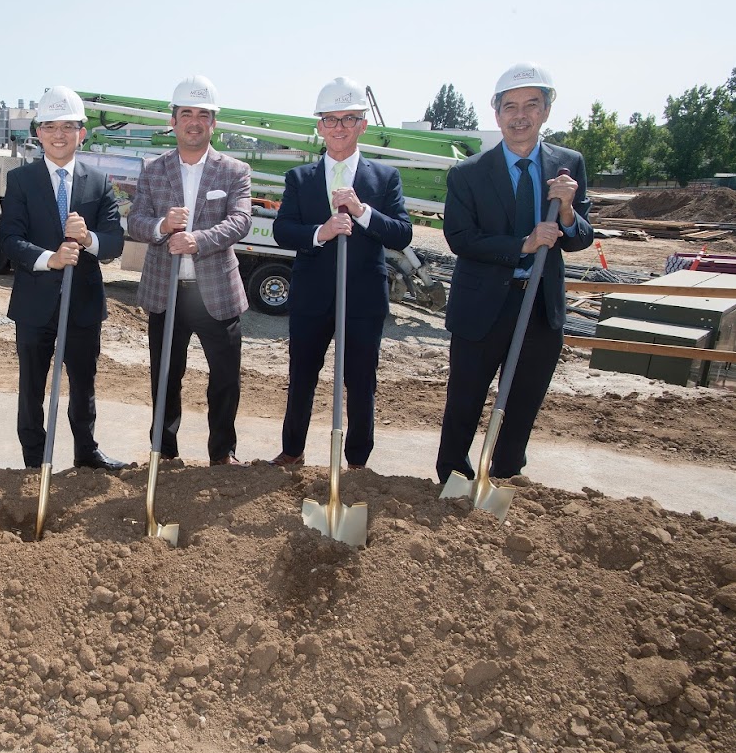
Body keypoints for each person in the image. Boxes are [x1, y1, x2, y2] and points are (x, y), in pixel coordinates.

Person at [435, 62, 593, 483]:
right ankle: (451, 474)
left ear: (545, 110)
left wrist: (565, 209)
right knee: (465, 397)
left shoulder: (568, 166)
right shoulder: (468, 173)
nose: (520, 115)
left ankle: (504, 474)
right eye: (510, 107)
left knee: (524, 399)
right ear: (496, 113)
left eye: (531, 105)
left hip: (540, 303)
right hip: (483, 304)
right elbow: (461, 238)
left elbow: (579, 238)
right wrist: (522, 244)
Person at [271, 78, 412, 469]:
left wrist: (363, 212)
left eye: (348, 118)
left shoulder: (384, 179)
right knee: (302, 377)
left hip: (363, 299)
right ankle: (292, 451)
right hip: (312, 297)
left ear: (362, 125)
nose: (339, 127)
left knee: (361, 382)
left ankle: (356, 462)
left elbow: (402, 233)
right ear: (320, 126)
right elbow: (283, 230)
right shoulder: (300, 179)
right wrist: (321, 232)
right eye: (330, 119)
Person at [126, 75, 252, 465]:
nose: (194, 121)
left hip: (216, 292)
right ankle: (163, 451)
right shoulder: (153, 169)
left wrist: (199, 240)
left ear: (213, 122)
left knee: (225, 380)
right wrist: (163, 227)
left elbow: (241, 221)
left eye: (202, 114)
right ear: (173, 120)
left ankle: (222, 453)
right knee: (165, 377)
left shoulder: (234, 170)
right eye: (186, 114)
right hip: (167, 293)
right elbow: (135, 223)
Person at [0, 86, 126, 471]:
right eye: (50, 126)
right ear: (37, 132)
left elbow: (114, 242)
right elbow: (10, 239)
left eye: (68, 126)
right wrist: (49, 259)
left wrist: (87, 239)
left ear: (82, 133)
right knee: (32, 387)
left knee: (83, 385)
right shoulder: (21, 180)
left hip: (83, 305)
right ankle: (35, 461)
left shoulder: (98, 181)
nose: (59, 134)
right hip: (35, 303)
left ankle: (86, 452)